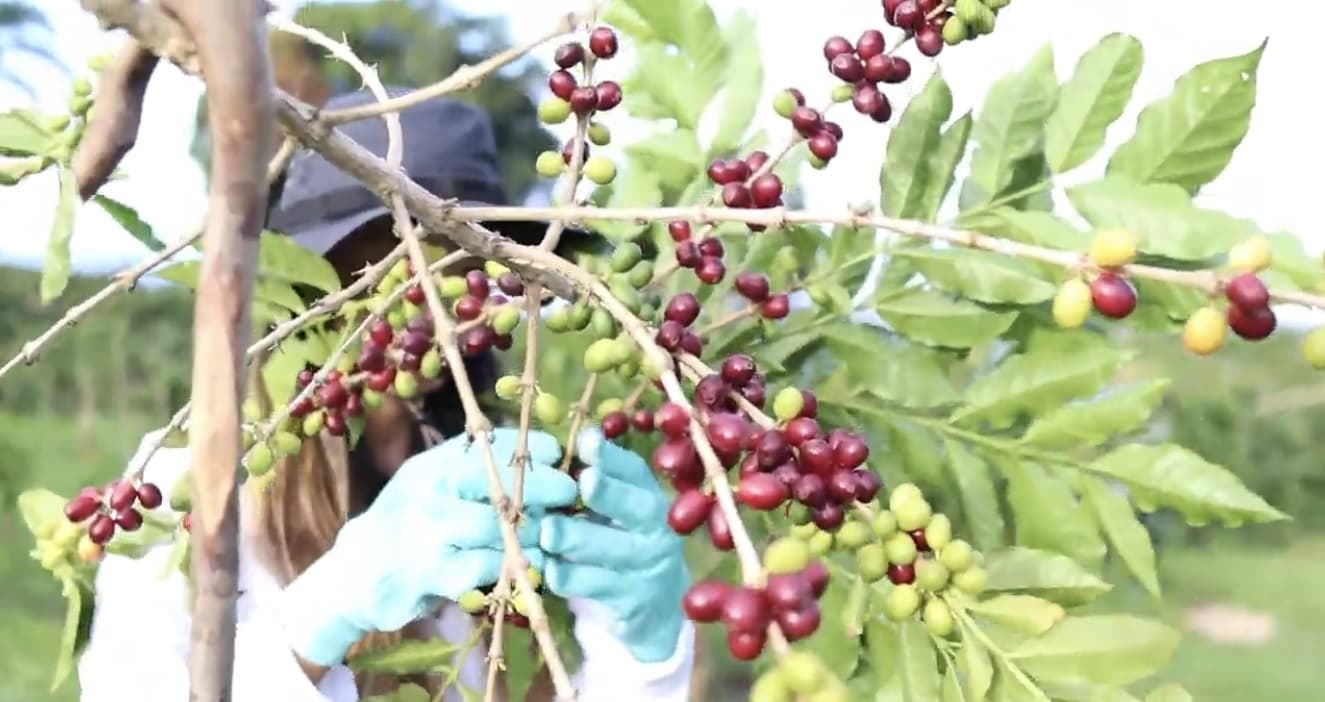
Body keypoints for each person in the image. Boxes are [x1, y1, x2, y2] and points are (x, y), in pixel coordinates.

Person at [76, 89, 695, 702]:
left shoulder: (521, 484)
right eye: (377, 274)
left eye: (460, 267)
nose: (424, 304)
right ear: (299, 297)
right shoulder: (176, 498)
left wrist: (644, 658)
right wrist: (312, 623)